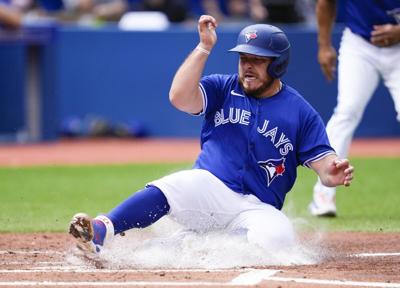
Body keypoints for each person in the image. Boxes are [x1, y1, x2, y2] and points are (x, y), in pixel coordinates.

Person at [69, 15, 354, 255]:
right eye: (243, 58)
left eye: (257, 60)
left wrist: (332, 172)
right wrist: (204, 48)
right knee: (175, 184)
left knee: (279, 237)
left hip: (257, 209)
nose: (247, 66)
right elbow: (179, 97)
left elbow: (324, 165)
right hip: (208, 191)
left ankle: (196, 245)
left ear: (278, 65)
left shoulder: (300, 111)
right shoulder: (221, 88)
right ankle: (102, 231)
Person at [309, 0, 400, 217]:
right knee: (346, 112)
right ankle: (323, 196)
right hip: (359, 43)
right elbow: (325, 3)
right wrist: (323, 46)